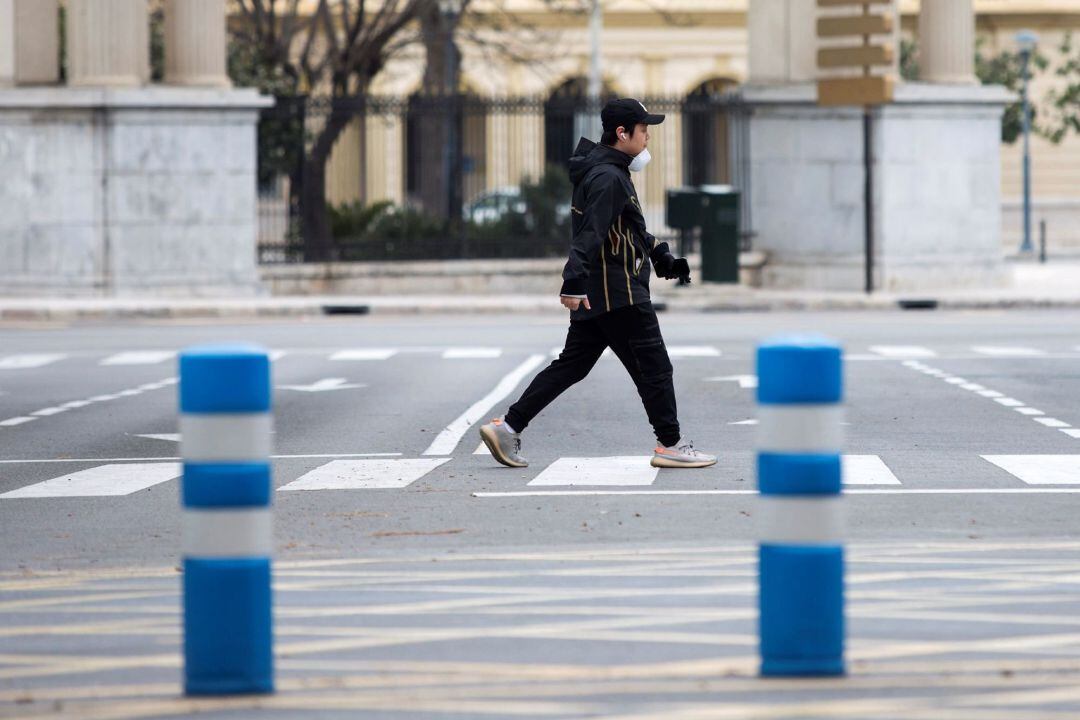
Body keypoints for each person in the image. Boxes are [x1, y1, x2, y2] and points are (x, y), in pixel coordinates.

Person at [479, 98, 717, 470]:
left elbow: (628, 228)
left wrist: (662, 258)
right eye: (643, 131)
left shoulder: (610, 171)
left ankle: (508, 427)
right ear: (622, 134)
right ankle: (670, 444)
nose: (648, 139)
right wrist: (572, 282)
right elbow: (590, 234)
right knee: (654, 367)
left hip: (602, 291)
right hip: (617, 292)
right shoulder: (608, 177)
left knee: (573, 365)